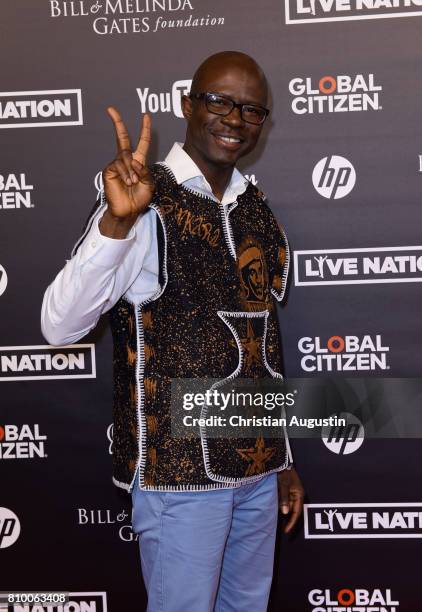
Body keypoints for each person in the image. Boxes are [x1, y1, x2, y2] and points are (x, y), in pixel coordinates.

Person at [42, 50, 304, 612]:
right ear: (187, 104)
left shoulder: (257, 208)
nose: (234, 119)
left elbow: (261, 349)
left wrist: (281, 461)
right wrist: (117, 221)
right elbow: (59, 327)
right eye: (218, 101)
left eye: (252, 110)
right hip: (179, 479)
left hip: (256, 474)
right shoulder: (142, 200)